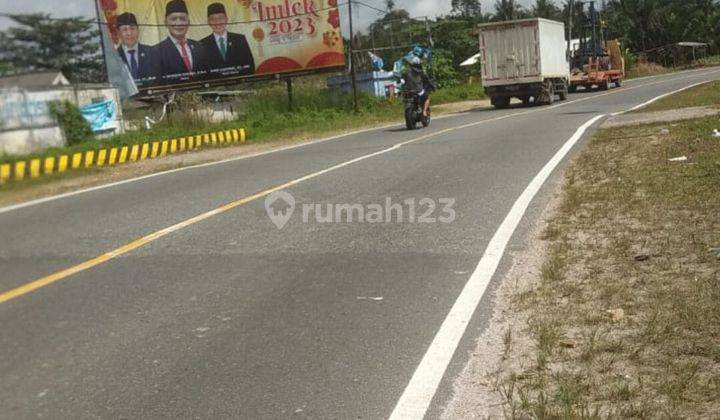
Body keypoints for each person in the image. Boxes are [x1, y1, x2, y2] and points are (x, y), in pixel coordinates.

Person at [154, 0, 209, 83]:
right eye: (173, 19)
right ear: (165, 22)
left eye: (183, 19)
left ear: (189, 23)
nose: (178, 23)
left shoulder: (199, 46)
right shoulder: (156, 51)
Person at [200, 2, 255, 77]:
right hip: (215, 86)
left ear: (226, 19)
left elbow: (250, 66)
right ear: (208, 22)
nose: (217, 22)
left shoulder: (240, 39)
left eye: (221, 18)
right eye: (213, 19)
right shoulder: (202, 44)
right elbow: (202, 72)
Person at [115, 12, 156, 86]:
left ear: (138, 30)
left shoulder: (152, 52)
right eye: (124, 29)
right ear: (118, 33)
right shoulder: (113, 57)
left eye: (132, 28)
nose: (129, 33)